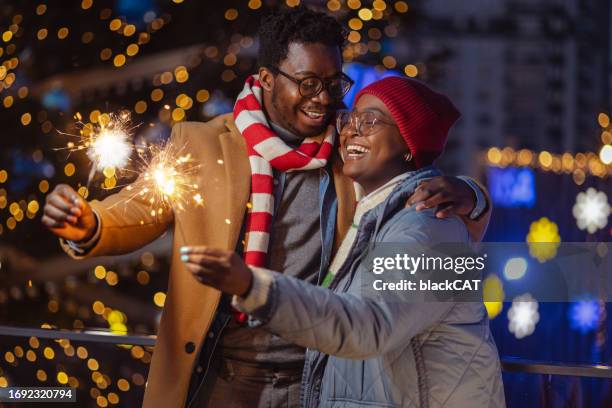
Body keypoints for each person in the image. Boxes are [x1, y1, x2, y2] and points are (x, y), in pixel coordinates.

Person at [41, 7, 492, 408]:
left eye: (334, 84)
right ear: (267, 79)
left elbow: (418, 199)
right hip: (222, 373)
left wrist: (473, 195)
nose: (323, 99)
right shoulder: (201, 145)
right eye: (308, 83)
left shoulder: (352, 152)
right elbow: (138, 210)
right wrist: (89, 224)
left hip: (317, 378)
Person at [180, 76, 505, 407]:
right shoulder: (371, 217)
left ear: (410, 145)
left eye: (371, 121)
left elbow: (370, 325)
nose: (351, 131)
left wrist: (254, 287)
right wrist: (475, 196)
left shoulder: (427, 225)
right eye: (350, 119)